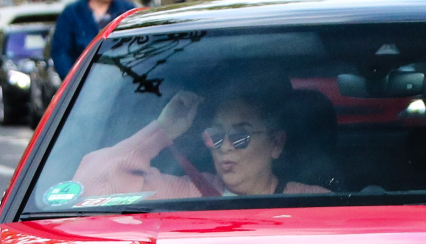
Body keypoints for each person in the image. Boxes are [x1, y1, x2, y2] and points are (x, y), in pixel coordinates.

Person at [73, 83, 327, 202]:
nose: (225, 146)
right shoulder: (181, 193)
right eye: (216, 136)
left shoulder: (312, 201)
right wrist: (161, 130)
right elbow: (88, 188)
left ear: (276, 144)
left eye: (240, 136)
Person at [49, 0, 135, 82]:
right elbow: (60, 52)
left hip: (123, 84)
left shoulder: (127, 11)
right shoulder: (72, 14)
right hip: (84, 88)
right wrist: (74, 83)